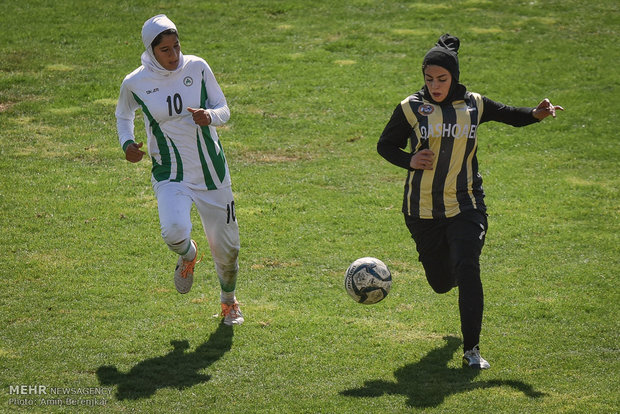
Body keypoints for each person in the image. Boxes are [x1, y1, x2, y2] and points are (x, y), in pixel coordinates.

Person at [377, 34, 563, 368]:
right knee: (440, 282)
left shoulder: (475, 104)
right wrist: (410, 160)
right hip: (422, 210)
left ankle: (472, 350)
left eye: (442, 79)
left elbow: (510, 114)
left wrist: (536, 113)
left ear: (454, 77)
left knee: (468, 267)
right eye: (429, 79)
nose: (435, 86)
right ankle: (450, 277)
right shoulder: (410, 108)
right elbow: (385, 145)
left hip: (467, 204)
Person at [115, 14, 244, 326]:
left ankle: (229, 303)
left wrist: (210, 116)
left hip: (212, 172)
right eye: (165, 50)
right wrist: (127, 144)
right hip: (170, 173)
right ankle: (188, 255)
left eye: (176, 47)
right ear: (151, 50)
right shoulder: (135, 83)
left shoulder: (197, 67)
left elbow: (224, 108)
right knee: (174, 232)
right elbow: (123, 114)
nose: (174, 56)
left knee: (228, 250)